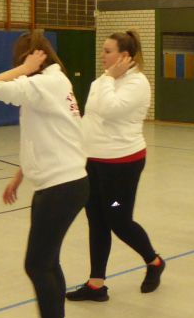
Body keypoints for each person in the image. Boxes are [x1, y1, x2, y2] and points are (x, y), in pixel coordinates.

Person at [0, 30, 88, 318]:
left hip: (61, 187)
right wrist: (21, 174)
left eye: (23, 60)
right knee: (47, 261)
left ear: (33, 59)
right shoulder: (55, 83)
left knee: (37, 264)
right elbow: (46, 134)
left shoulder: (43, 84)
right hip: (62, 183)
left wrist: (24, 69)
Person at [66, 30, 163, 303]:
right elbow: (91, 117)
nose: (102, 55)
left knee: (118, 219)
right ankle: (96, 284)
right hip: (94, 162)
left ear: (124, 56)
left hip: (122, 165)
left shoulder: (137, 83)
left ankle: (154, 261)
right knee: (96, 220)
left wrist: (109, 78)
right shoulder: (102, 81)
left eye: (107, 51)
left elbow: (110, 109)